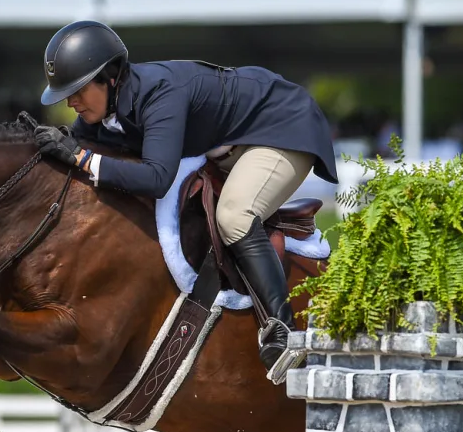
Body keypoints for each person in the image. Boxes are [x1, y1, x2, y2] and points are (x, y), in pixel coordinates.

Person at [33, 20, 338, 378]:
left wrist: (83, 159)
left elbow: (157, 178)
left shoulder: (160, 94)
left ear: (110, 77)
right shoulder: (109, 106)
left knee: (233, 215)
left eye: (79, 90)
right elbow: (80, 143)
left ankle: (283, 331)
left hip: (282, 128)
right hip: (230, 142)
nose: (71, 102)